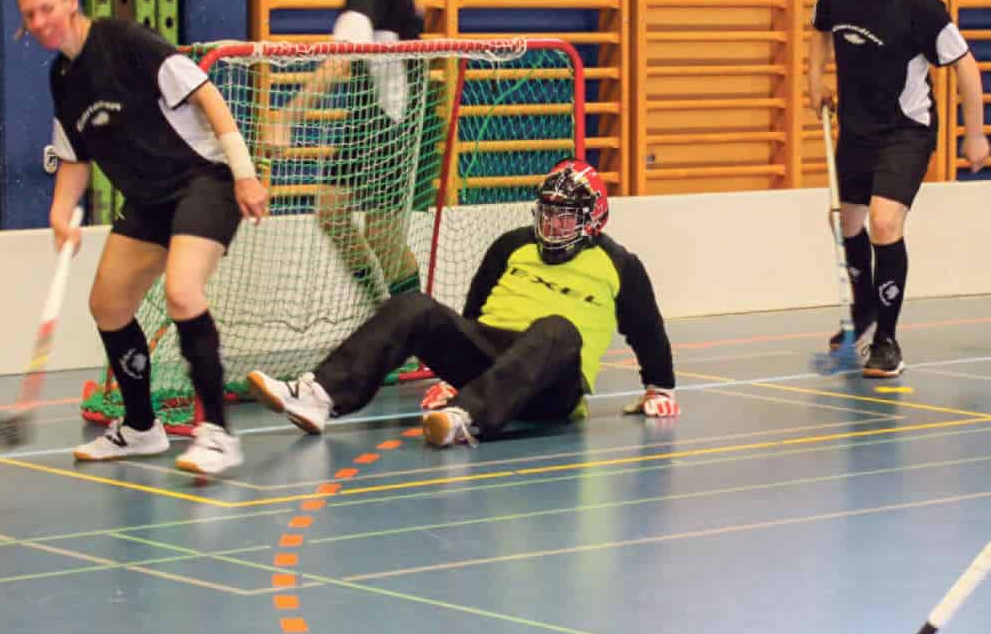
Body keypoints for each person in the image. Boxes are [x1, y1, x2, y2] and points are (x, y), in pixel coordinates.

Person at [16, 0, 269, 475]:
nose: (42, 21)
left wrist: (243, 172)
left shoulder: (124, 40)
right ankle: (139, 427)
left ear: (71, 2)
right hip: (149, 200)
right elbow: (75, 156)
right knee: (107, 305)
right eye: (30, 15)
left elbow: (206, 95)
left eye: (48, 8)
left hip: (205, 180)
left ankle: (217, 433)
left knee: (182, 293)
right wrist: (60, 213)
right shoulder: (62, 78)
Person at [246, 158, 678, 447]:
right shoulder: (511, 245)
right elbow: (473, 313)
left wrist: (659, 386)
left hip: (552, 385)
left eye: (564, 217)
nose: (552, 225)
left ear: (592, 219)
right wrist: (456, 372)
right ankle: (319, 395)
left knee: (558, 329)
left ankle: (464, 419)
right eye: (546, 214)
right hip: (491, 357)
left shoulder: (618, 264)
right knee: (414, 305)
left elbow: (647, 328)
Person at [809, 0, 989, 377]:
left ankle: (887, 340)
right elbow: (820, 32)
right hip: (856, 128)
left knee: (885, 225)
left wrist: (975, 134)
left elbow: (966, 66)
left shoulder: (917, 4)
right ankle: (864, 310)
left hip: (905, 131)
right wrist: (814, 79)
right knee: (845, 225)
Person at [267, 0, 438, 305]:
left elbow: (339, 61)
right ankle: (384, 311)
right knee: (330, 212)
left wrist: (288, 117)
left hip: (397, 119)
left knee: (381, 233)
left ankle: (415, 329)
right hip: (367, 117)